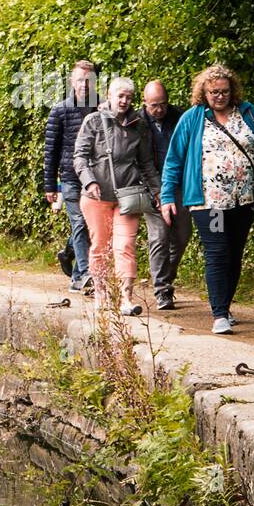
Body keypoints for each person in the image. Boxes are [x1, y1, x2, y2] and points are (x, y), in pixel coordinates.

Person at [160, 64, 254, 334]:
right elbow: (174, 159)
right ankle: (219, 314)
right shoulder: (193, 118)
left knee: (234, 253)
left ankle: (226, 305)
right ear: (203, 93)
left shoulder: (249, 114)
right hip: (210, 203)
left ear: (232, 91)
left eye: (224, 91)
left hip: (244, 200)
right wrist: (167, 195)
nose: (219, 96)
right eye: (213, 92)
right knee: (218, 251)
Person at [73, 76, 161, 316]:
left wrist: (157, 191)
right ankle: (101, 292)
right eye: (120, 96)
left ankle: (125, 298)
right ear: (109, 96)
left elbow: (145, 163)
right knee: (100, 246)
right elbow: (79, 157)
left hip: (128, 195)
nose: (124, 101)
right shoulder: (93, 121)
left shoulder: (139, 124)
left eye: (129, 97)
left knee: (125, 246)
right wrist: (89, 181)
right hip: (97, 195)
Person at [44, 60, 99, 294]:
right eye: (79, 80)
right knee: (79, 222)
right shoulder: (60, 110)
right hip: (69, 177)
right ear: (71, 82)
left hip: (95, 177)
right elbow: (51, 150)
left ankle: (71, 260)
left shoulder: (103, 108)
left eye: (88, 80)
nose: (84, 85)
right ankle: (86, 273)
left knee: (88, 225)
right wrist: (50, 185)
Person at [140, 80, 191, 310]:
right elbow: (140, 161)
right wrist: (157, 191)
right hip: (150, 187)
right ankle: (161, 290)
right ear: (145, 103)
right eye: (154, 106)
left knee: (181, 237)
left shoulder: (179, 117)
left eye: (162, 104)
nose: (159, 109)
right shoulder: (136, 122)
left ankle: (166, 280)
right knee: (159, 237)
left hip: (178, 186)